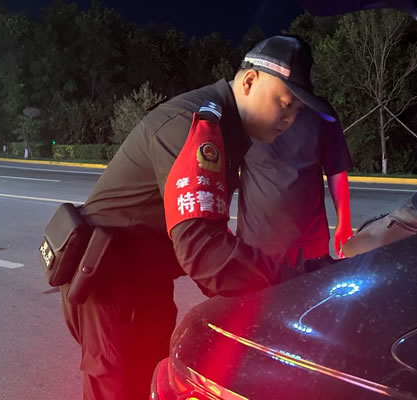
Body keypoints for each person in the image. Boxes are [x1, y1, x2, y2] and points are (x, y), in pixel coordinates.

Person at [58, 35, 339, 399]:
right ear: (249, 81)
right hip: (110, 287)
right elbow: (205, 252)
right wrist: (289, 281)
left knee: (149, 382)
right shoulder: (197, 126)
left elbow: (210, 245)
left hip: (144, 282)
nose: (290, 118)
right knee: (120, 389)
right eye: (285, 104)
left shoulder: (227, 131)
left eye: (297, 111)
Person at [237, 104, 353, 266]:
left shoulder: (321, 112)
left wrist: (344, 221)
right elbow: (226, 169)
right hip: (256, 241)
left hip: (310, 242)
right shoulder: (246, 112)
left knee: (312, 281)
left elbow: (336, 169)